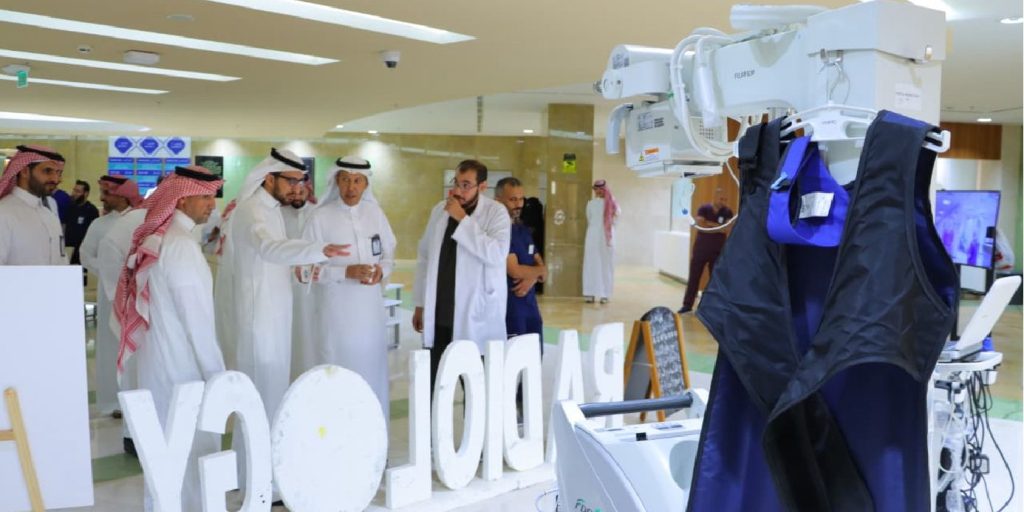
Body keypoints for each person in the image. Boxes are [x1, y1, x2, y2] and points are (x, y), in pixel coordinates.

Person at [112, 166, 225, 511]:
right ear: (182, 199)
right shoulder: (180, 246)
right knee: (191, 452)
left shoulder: (165, 239)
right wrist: (219, 376)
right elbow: (198, 322)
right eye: (204, 197)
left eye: (213, 196)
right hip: (183, 370)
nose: (212, 205)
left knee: (165, 455)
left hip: (160, 363)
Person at [218, 148, 349, 425]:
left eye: (300, 182)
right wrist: (317, 249)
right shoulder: (252, 210)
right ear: (269, 178)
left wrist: (300, 265)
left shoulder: (272, 209)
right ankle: (253, 451)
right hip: (259, 316)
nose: (296, 188)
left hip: (275, 312)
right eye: (290, 181)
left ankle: (269, 447)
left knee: (274, 388)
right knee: (259, 392)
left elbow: (274, 257)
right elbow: (269, 248)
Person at [301, 156, 396, 419]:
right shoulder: (320, 217)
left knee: (371, 373)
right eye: (345, 180)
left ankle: (372, 434)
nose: (351, 187)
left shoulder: (376, 214)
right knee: (338, 374)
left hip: (370, 316)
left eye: (357, 181)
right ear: (336, 181)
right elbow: (305, 270)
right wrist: (345, 272)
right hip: (336, 316)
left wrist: (382, 271)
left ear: (366, 184)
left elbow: (389, 255)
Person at [413, 159, 510, 389]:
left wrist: (462, 220)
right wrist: (420, 303)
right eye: (456, 183)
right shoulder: (439, 210)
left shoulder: (496, 212)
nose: (458, 190)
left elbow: (496, 254)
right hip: (440, 311)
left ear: (482, 186)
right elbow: (425, 256)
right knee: (435, 383)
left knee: (475, 387)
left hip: (476, 314)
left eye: (466, 185)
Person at [79, 176, 142, 417]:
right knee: (111, 346)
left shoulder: (143, 220)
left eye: (108, 193)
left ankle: (138, 398)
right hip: (110, 295)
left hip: (139, 295)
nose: (102, 198)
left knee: (138, 346)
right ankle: (113, 402)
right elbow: (86, 255)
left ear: (123, 195)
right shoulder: (99, 224)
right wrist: (111, 272)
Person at [494, 177, 546, 342]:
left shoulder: (522, 230)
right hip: (510, 309)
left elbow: (543, 270)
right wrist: (537, 272)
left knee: (534, 352)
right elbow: (514, 270)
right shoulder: (499, 232)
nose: (519, 204)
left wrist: (532, 277)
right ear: (498, 201)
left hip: (530, 308)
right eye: (512, 199)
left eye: (521, 199)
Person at [0, 145, 66, 265]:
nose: (56, 179)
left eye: (59, 173)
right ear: (25, 171)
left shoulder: (49, 215)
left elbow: (61, 261)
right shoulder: (4, 213)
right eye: (48, 171)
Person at [680, 188, 734, 313]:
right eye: (721, 199)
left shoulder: (727, 212)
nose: (723, 202)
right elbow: (700, 225)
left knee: (715, 280)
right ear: (715, 197)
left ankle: (712, 307)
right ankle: (687, 305)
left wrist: (709, 224)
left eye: (725, 199)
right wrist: (719, 227)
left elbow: (727, 229)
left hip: (717, 251)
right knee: (694, 277)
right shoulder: (703, 209)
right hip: (701, 249)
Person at [582, 179, 620, 304]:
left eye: (600, 189)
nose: (598, 191)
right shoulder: (591, 204)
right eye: (596, 189)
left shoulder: (613, 203)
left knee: (606, 265)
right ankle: (590, 293)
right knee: (591, 263)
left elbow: (616, 219)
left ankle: (605, 294)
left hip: (607, 238)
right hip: (593, 236)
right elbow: (590, 219)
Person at [66, 180, 100, 265]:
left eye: (78, 191)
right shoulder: (70, 207)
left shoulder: (92, 210)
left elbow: (95, 234)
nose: (74, 193)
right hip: (68, 251)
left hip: (82, 253)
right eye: (74, 190)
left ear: (86, 193)